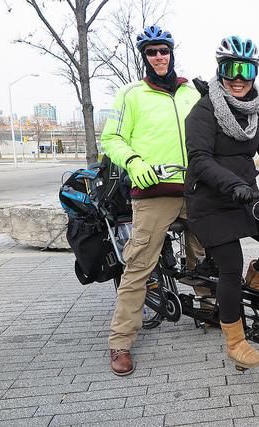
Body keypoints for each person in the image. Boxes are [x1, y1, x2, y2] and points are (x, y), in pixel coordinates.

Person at [100, 24, 204, 376]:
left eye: (164, 51)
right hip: (153, 191)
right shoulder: (131, 94)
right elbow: (111, 139)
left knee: (205, 254)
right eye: (151, 52)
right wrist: (132, 161)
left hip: (194, 188)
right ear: (144, 57)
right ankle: (120, 342)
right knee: (139, 266)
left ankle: (210, 309)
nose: (159, 57)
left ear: (172, 52)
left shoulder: (193, 92)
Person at [184, 35, 259, 370]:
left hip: (245, 196)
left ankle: (256, 278)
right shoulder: (203, 110)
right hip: (210, 200)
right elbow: (199, 158)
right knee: (230, 264)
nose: (239, 77)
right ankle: (236, 340)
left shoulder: (255, 113)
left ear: (255, 72)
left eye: (247, 69)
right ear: (220, 70)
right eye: (232, 69)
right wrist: (232, 183)